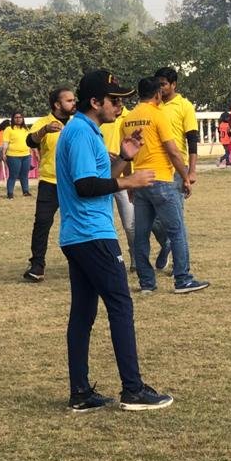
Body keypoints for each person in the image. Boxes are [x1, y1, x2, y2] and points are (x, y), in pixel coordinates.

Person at [57, 69, 172, 412]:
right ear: (95, 102)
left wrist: (124, 158)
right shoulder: (81, 132)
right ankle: (132, 389)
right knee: (121, 305)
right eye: (114, 101)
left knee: (83, 313)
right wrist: (129, 182)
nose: (120, 107)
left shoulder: (85, 130)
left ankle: (80, 393)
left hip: (79, 235)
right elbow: (85, 186)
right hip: (92, 234)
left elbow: (97, 178)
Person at [124, 76, 209, 295]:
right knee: (176, 230)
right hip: (161, 178)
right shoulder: (158, 114)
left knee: (141, 234)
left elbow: (126, 154)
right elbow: (173, 151)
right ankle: (183, 279)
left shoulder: (127, 118)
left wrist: (129, 182)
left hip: (139, 180)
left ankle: (146, 283)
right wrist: (186, 177)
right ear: (157, 94)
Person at [23, 87, 76, 282]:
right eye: (69, 100)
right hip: (50, 181)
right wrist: (44, 131)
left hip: (74, 183)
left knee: (77, 223)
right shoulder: (43, 123)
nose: (74, 103)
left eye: (74, 100)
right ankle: (37, 265)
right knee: (42, 223)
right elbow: (30, 141)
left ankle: (80, 262)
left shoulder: (78, 122)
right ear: (57, 104)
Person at [152, 66, 200, 271]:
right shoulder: (153, 105)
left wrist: (191, 171)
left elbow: (192, 140)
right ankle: (167, 244)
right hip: (155, 166)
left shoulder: (184, 106)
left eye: (164, 84)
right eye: (158, 84)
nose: (160, 88)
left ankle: (180, 266)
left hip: (176, 168)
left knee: (176, 218)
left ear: (173, 85)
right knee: (153, 220)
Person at [100, 102, 136, 272]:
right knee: (104, 224)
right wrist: (102, 153)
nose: (118, 103)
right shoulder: (100, 118)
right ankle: (107, 259)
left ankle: (136, 257)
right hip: (101, 178)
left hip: (123, 180)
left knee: (130, 224)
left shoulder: (130, 118)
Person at [2, 112, 32, 199]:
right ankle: (10, 193)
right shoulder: (8, 129)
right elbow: (5, 142)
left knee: (24, 174)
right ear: (13, 119)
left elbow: (29, 142)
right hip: (13, 156)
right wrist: (3, 153)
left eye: (20, 117)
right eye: (16, 117)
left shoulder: (26, 129)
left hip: (26, 155)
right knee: (13, 175)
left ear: (23, 119)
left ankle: (25, 191)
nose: (18, 119)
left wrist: (32, 152)